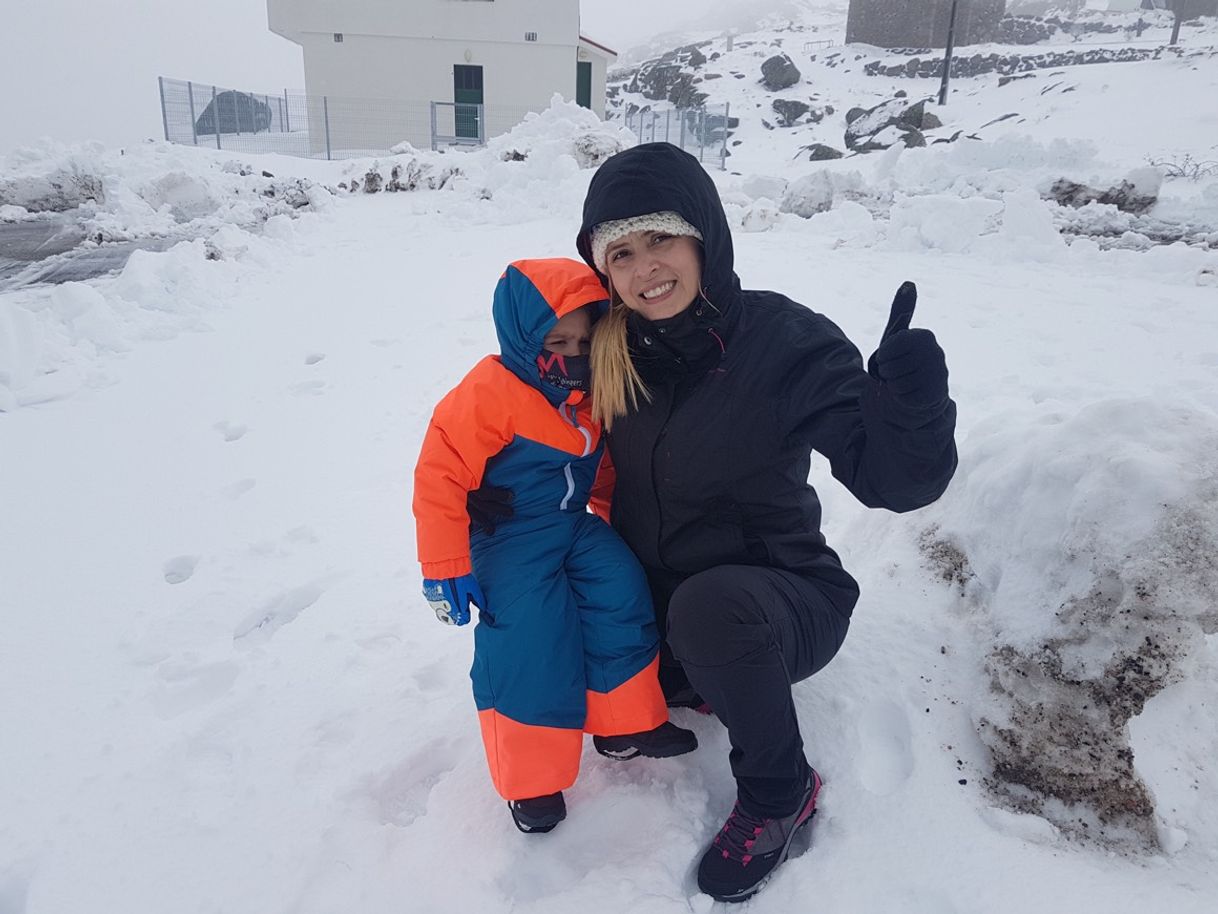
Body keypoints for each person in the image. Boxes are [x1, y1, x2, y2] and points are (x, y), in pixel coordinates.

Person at [469, 144, 957, 901]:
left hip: (778, 603)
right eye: (621, 253)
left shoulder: (785, 342)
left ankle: (779, 792)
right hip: (652, 608)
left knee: (711, 610)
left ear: (705, 236)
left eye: (660, 238)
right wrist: (492, 489)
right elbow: (535, 424)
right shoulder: (610, 350)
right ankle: (625, 707)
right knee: (543, 588)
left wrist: (913, 407)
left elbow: (894, 481)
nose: (643, 269)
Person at [413, 257, 697, 835]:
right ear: (523, 337)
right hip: (508, 535)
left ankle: (623, 722)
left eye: (584, 339)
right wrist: (445, 565)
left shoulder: (586, 391)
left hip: (570, 524)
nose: (572, 352)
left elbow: (600, 471)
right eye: (557, 339)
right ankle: (533, 783)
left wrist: (624, 520)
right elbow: (439, 474)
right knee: (530, 635)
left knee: (620, 590)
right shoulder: (490, 393)